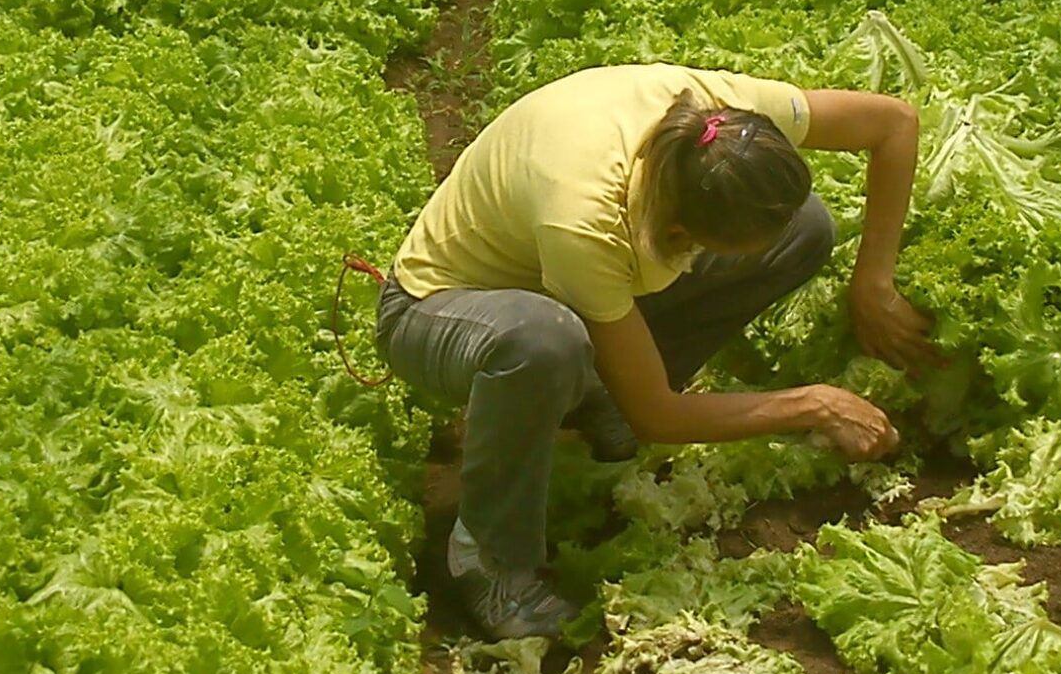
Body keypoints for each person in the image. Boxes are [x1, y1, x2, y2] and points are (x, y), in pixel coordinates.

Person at [376, 63, 926, 640]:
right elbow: (657, 417)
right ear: (683, 232)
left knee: (804, 228)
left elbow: (893, 123)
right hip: (440, 309)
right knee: (543, 341)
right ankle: (486, 558)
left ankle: (600, 398)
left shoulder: (725, 122)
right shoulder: (587, 221)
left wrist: (875, 281)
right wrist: (814, 404)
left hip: (563, 281)